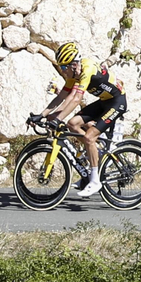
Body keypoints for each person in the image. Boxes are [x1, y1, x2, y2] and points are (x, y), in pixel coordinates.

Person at [43, 41, 104, 197]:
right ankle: (96, 153)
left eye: (64, 67)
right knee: (72, 124)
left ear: (74, 64)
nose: (62, 71)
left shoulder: (86, 69)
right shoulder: (73, 74)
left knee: (89, 137)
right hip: (104, 101)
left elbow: (76, 99)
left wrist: (58, 119)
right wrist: (42, 114)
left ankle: (95, 180)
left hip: (116, 101)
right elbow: (63, 96)